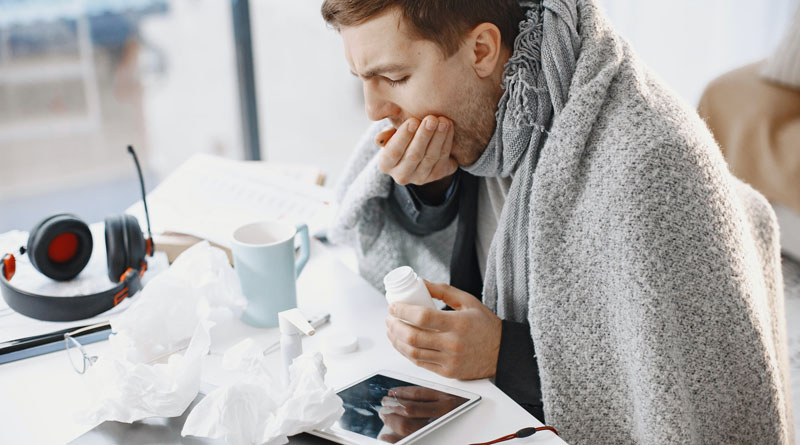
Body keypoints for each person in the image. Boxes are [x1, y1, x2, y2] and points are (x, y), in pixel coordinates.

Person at [321, 0, 794, 443]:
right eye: (361, 79)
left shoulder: (645, 164)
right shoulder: (479, 114)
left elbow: (673, 394)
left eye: (395, 77)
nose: (374, 110)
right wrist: (432, 186)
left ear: (481, 49)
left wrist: (505, 355)